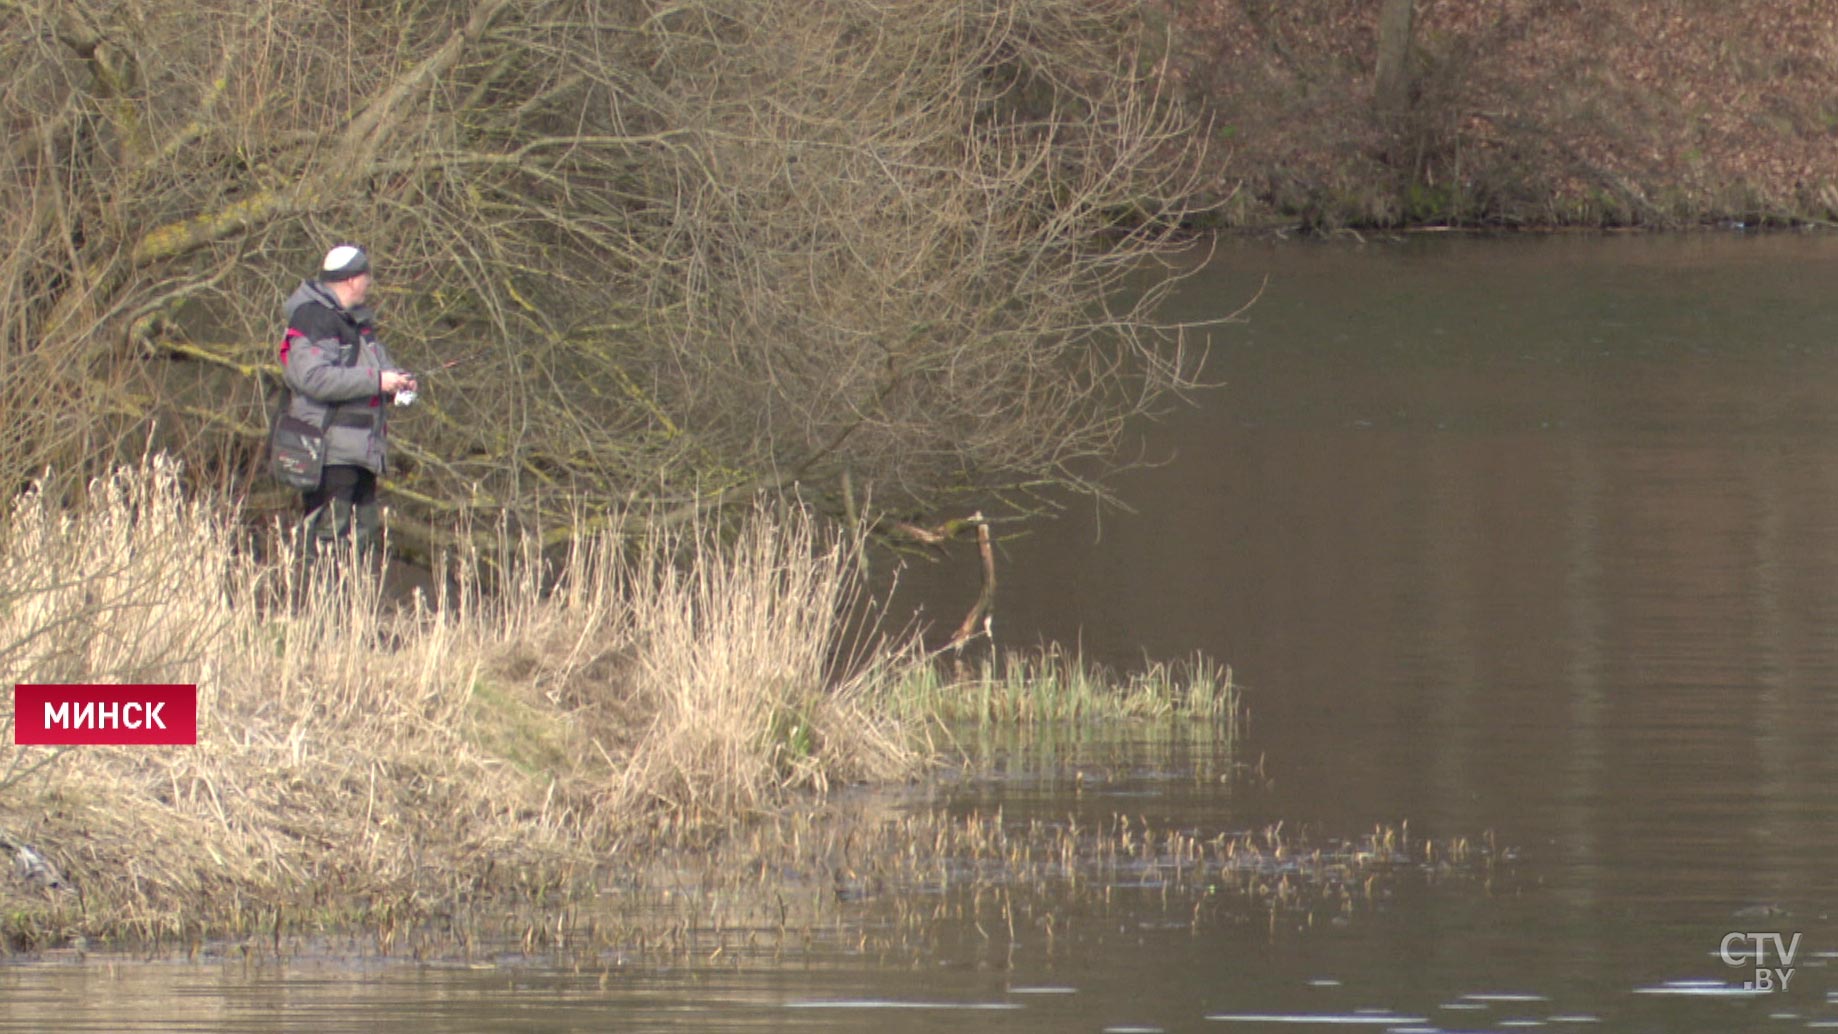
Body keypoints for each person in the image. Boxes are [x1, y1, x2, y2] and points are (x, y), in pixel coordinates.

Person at [280, 244, 416, 560]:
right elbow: (313, 379)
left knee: (359, 548)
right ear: (353, 279)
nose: (370, 282)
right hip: (328, 453)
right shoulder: (313, 319)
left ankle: (346, 608)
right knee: (327, 546)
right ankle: (317, 609)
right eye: (367, 275)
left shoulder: (361, 326)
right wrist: (378, 381)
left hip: (364, 454)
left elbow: (382, 374)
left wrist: (402, 385)